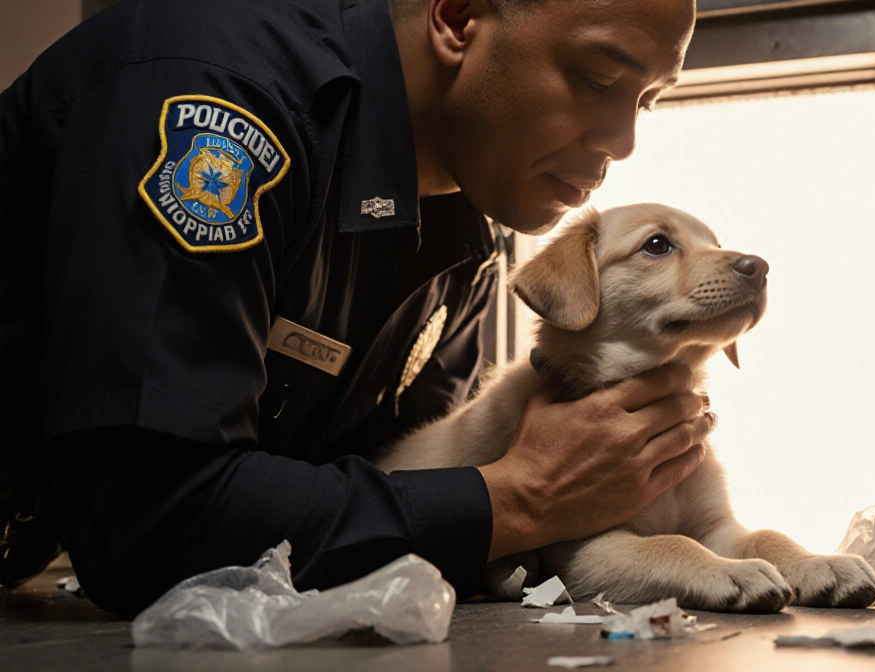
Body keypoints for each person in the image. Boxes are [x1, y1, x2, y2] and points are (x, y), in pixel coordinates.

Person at [0, 0, 714, 618]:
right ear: (458, 17)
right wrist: (522, 498)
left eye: (645, 99)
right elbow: (150, 520)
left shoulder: (466, 235)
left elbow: (385, 503)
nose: (621, 141)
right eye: (597, 79)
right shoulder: (219, 98)